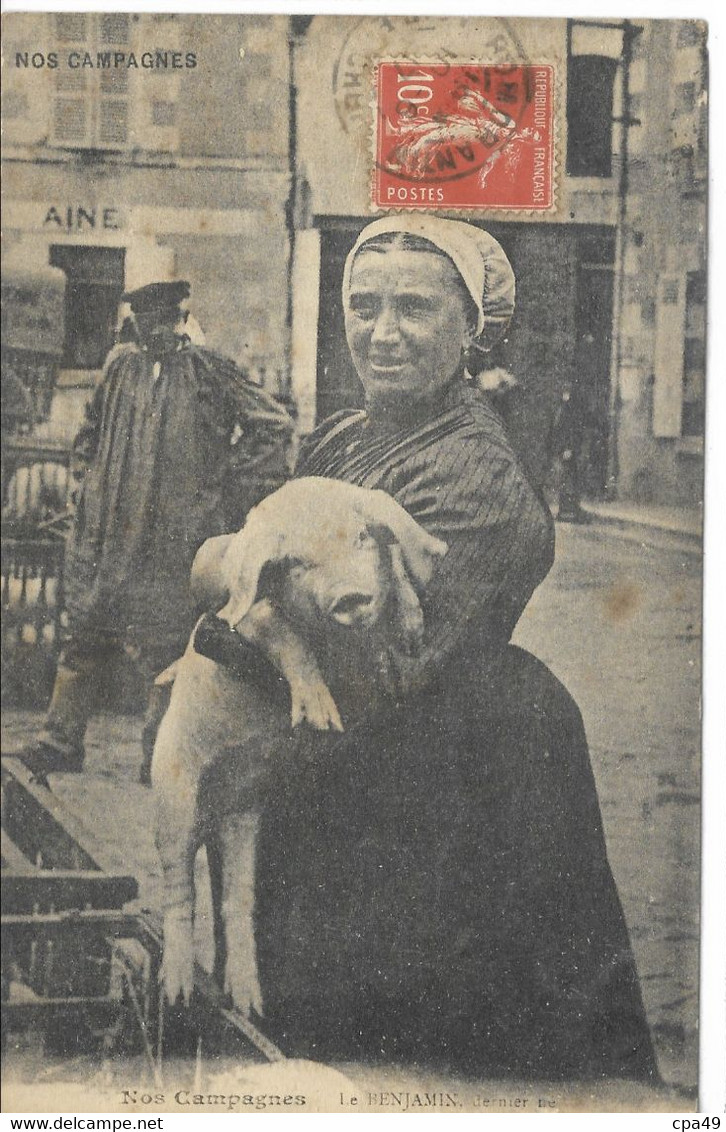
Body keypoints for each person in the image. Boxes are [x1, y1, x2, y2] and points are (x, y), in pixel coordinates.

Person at [195, 216, 658, 1082]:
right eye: (363, 306)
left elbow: (366, 670)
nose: (382, 333)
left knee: (397, 1077)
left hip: (425, 829)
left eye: (413, 308)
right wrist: (233, 581)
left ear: (471, 329)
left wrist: (226, 572)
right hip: (334, 788)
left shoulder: (474, 476)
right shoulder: (344, 438)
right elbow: (244, 591)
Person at [21, 278, 293, 783]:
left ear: (179, 321)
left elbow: (273, 427)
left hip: (172, 539)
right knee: (85, 634)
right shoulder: (119, 367)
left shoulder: (209, 371)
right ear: (137, 325)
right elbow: (88, 432)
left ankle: (158, 756)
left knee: (166, 649)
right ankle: (60, 741)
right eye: (145, 325)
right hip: (112, 535)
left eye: (163, 323)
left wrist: (226, 489)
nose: (154, 334)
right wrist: (88, 484)